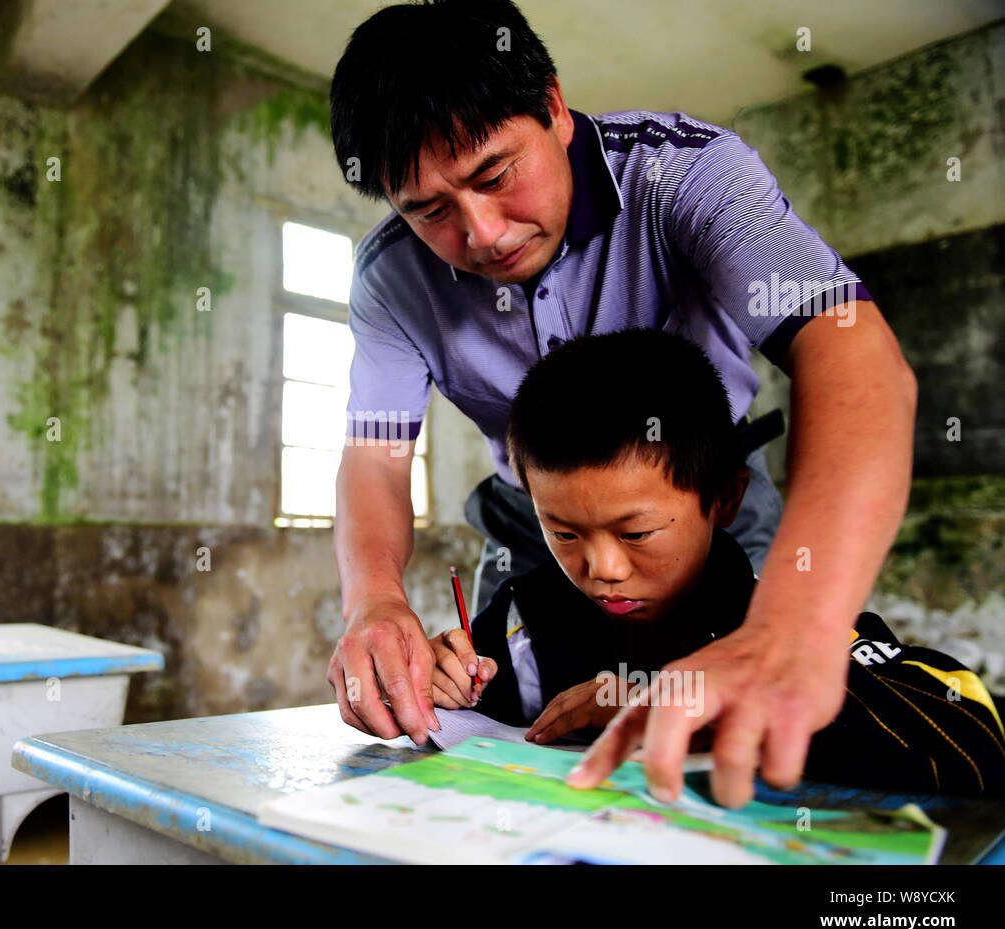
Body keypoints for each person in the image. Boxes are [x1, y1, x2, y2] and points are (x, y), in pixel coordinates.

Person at [326, 0, 918, 808]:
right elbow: (375, 456)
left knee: (765, 730)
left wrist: (795, 626)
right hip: (533, 515)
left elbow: (849, 348)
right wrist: (376, 604)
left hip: (701, 503)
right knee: (517, 700)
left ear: (556, 108)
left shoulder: (689, 175)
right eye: (429, 210)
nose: (485, 232)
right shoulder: (389, 279)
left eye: (496, 175)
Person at [428, 329, 1005, 801]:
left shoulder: (778, 623)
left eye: (636, 532)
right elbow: (474, 717)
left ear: (724, 499)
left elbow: (978, 741)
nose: (601, 568)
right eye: (563, 531)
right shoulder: (523, 618)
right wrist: (442, 680)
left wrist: (670, 702)